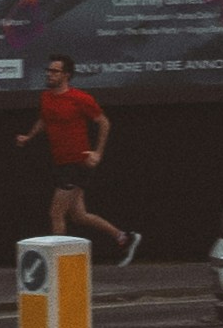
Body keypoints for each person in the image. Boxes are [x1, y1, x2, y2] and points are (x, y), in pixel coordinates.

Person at [11, 53, 139, 266]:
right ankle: (124, 237)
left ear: (67, 75)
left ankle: (57, 264)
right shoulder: (46, 97)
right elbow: (44, 120)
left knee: (55, 213)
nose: (50, 74)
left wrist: (97, 152)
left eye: (55, 71)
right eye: (48, 71)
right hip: (61, 162)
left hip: (77, 163)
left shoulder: (80, 98)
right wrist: (28, 136)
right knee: (79, 215)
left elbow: (104, 123)